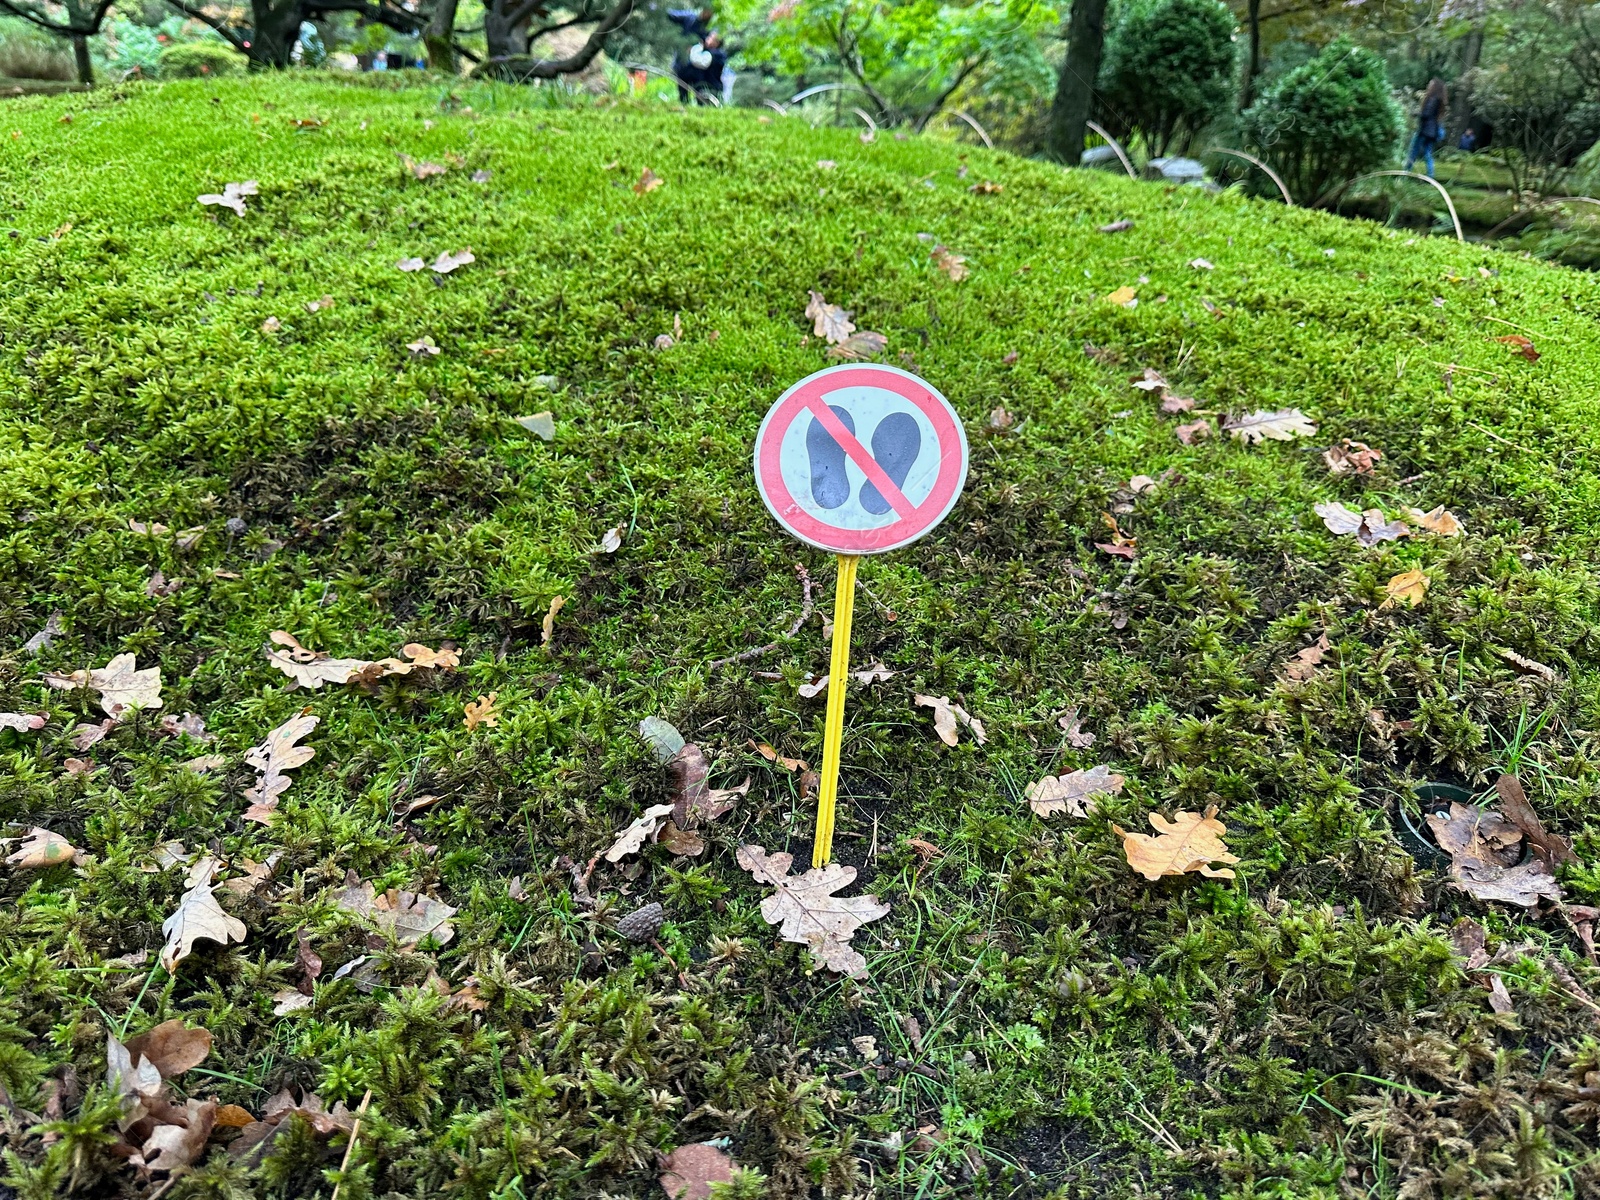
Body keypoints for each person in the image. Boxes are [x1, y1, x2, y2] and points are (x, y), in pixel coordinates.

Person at [1404, 78, 1448, 177]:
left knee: (1413, 151)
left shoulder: (1431, 99)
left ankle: (1405, 173)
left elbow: (1426, 114)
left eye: (1430, 84)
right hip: (1432, 132)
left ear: (1434, 87)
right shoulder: (1439, 101)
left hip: (1425, 130)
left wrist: (1415, 113)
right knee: (1427, 153)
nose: (1429, 85)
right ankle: (1430, 175)